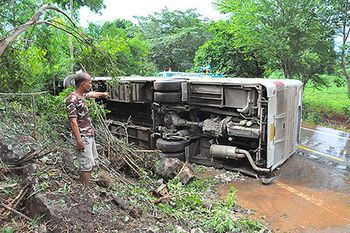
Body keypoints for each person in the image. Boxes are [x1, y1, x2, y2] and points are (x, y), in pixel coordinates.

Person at [65, 72, 108, 189]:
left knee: (90, 163)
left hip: (89, 135)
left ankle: (85, 187)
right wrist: (79, 140)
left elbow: (92, 94)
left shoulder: (82, 96)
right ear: (83, 84)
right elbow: (73, 121)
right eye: (90, 82)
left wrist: (103, 94)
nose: (91, 85)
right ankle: (85, 191)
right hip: (83, 137)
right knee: (86, 165)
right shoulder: (72, 99)